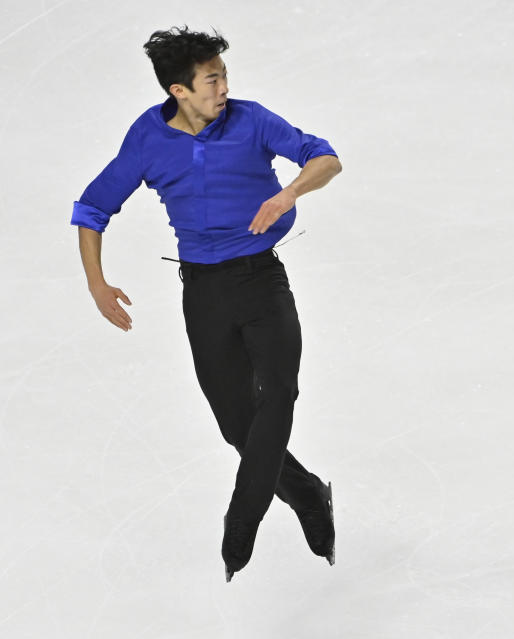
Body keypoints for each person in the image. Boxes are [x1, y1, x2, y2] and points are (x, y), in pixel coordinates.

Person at [70, 26, 342, 582]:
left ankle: (244, 518)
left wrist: (290, 191)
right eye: (211, 80)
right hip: (204, 290)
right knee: (235, 423)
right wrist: (97, 283)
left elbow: (326, 158)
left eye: (224, 77)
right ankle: (309, 491)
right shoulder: (147, 138)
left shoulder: (253, 119)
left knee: (280, 393)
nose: (223, 89)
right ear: (179, 90)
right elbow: (93, 208)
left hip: (262, 280)